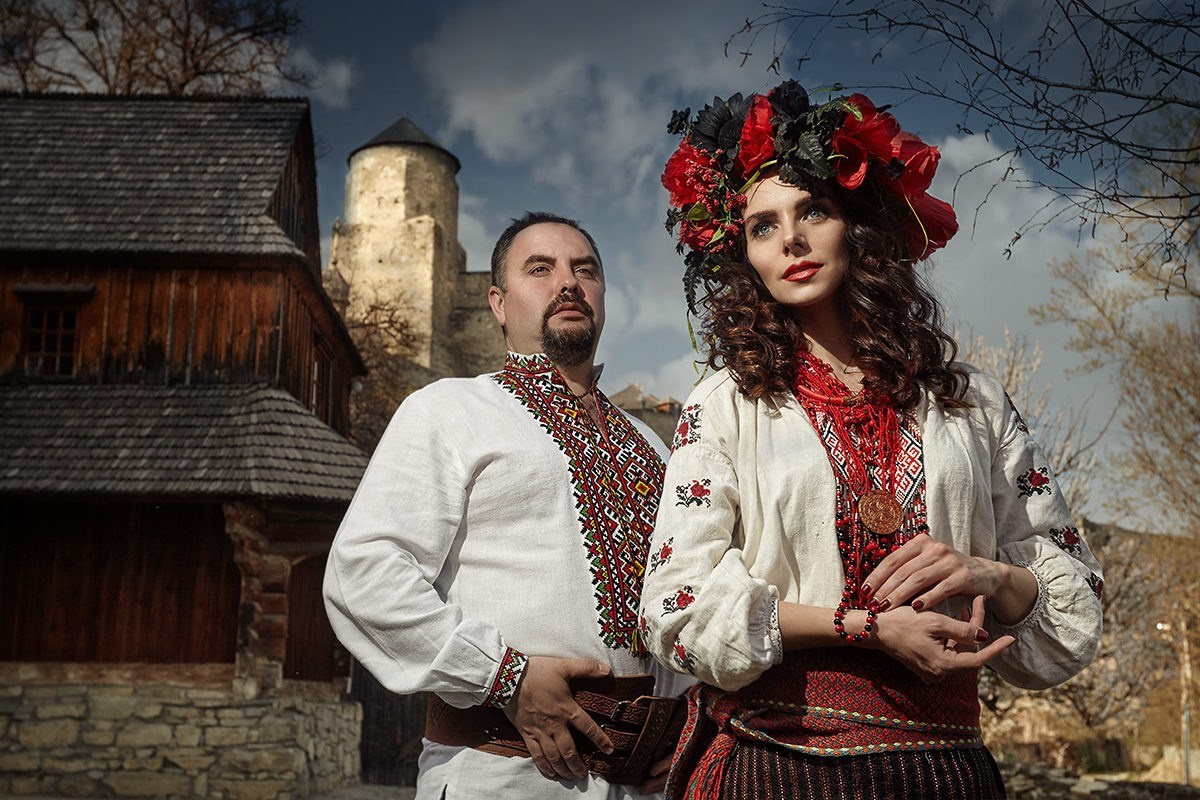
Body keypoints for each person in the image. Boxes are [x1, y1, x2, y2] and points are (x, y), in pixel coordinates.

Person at [638, 80, 1104, 799]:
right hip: (779, 766)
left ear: (855, 225)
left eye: (812, 210)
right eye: (763, 226)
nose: (790, 238)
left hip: (946, 770)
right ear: (745, 257)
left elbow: (1073, 598)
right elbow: (678, 607)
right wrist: (864, 627)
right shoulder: (724, 406)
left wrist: (989, 575)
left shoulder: (972, 401)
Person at [324, 211, 689, 799]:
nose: (568, 283)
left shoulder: (650, 444)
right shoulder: (448, 409)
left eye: (585, 269)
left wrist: (688, 730)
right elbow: (363, 573)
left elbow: (680, 598)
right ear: (497, 302)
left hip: (643, 785)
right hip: (500, 777)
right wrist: (504, 677)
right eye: (540, 269)